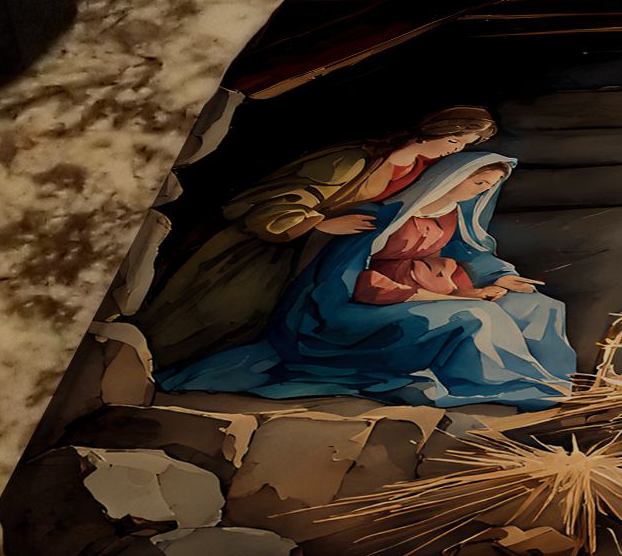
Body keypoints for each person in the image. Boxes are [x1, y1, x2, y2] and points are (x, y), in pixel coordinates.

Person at [160, 153, 576, 408]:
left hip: (438, 290)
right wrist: (435, 297)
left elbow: (469, 253)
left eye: (489, 186)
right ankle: (508, 388)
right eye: (478, 182)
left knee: (538, 307)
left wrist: (504, 277)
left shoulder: (453, 215)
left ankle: (556, 385)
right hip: (357, 307)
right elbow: (348, 280)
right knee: (475, 317)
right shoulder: (380, 216)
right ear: (452, 177)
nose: (480, 192)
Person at [130, 106, 499, 368]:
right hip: (260, 248)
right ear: (429, 131)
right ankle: (147, 364)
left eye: (463, 145)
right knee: (217, 310)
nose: (455, 150)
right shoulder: (354, 160)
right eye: (454, 140)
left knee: (254, 322)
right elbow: (276, 204)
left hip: (314, 254)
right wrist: (321, 224)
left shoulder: (419, 169)